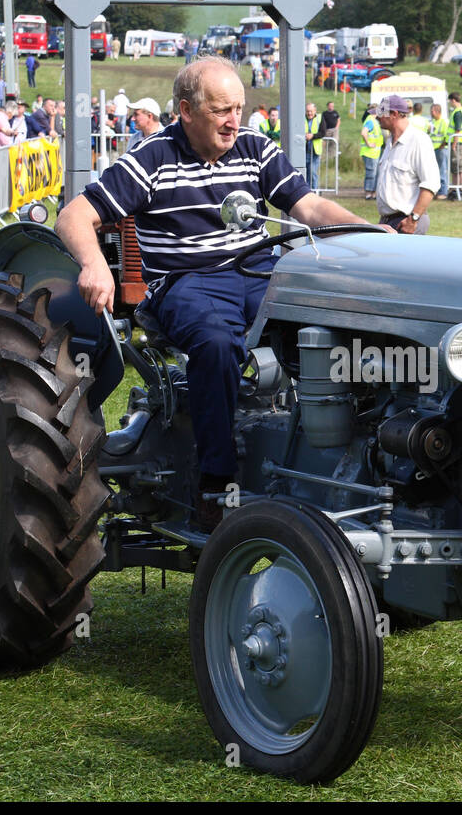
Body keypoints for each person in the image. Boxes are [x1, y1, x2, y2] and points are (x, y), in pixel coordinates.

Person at [54, 56, 376, 530]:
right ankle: (215, 483)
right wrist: (95, 263)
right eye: (222, 110)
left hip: (259, 273)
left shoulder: (255, 148)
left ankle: (346, 458)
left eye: (239, 109)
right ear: (186, 110)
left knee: (335, 322)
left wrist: (373, 230)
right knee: (215, 343)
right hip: (186, 283)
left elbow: (308, 207)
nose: (233, 122)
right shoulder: (151, 159)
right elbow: (73, 217)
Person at [374, 94, 439, 234]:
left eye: (381, 113)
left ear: (394, 114)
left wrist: (413, 219)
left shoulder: (419, 140)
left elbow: (431, 184)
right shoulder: (389, 142)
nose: (377, 117)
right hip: (388, 221)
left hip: (407, 222)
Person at [446, 92, 462, 200]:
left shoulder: (458, 112)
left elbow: (457, 130)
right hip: (458, 143)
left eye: (450, 101)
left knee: (460, 167)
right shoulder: (458, 111)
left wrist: (454, 143)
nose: (450, 103)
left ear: (453, 100)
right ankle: (455, 189)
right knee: (455, 168)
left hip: (458, 143)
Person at [360, 103, 383, 200]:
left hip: (374, 152)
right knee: (371, 173)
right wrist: (368, 144)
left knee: (375, 173)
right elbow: (363, 133)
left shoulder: (374, 121)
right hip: (369, 152)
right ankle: (368, 192)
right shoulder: (370, 120)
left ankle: (373, 192)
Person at [428, 103, 451, 200]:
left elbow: (447, 135)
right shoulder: (432, 122)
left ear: (437, 111)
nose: (431, 113)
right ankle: (436, 191)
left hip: (440, 150)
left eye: (432, 111)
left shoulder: (444, 122)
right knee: (434, 172)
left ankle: (443, 192)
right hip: (432, 149)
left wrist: (442, 145)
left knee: (442, 171)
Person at [303, 102, 322, 190]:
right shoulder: (302, 119)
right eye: (307, 111)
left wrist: (312, 136)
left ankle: (314, 191)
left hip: (315, 151)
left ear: (315, 111)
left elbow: (323, 132)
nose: (309, 113)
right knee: (305, 173)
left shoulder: (320, 118)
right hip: (304, 151)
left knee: (312, 172)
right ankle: (306, 192)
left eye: (311, 111)